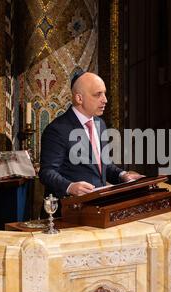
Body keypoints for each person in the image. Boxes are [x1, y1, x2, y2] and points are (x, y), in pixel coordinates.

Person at [39, 71, 143, 204]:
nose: (105, 99)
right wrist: (69, 187)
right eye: (98, 94)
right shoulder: (57, 129)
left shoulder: (100, 124)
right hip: (70, 209)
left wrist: (122, 175)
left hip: (99, 205)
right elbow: (47, 172)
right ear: (79, 98)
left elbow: (104, 164)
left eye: (104, 93)